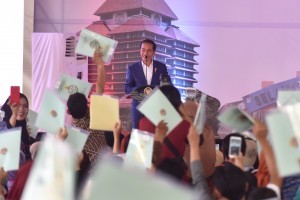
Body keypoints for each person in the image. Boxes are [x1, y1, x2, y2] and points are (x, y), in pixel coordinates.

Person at [124, 39, 168, 128]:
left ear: (154, 52)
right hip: (138, 107)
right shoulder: (132, 68)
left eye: (149, 51)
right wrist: (140, 90)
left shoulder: (161, 67)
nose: (145, 53)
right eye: (143, 50)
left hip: (156, 106)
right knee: (137, 135)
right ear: (140, 51)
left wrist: (160, 89)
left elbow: (167, 85)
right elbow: (127, 88)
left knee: (156, 135)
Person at [1, 93, 35, 160]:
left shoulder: (26, 129)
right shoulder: (2, 126)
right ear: (9, 107)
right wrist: (14, 115)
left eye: (25, 106)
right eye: (17, 105)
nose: (21, 109)